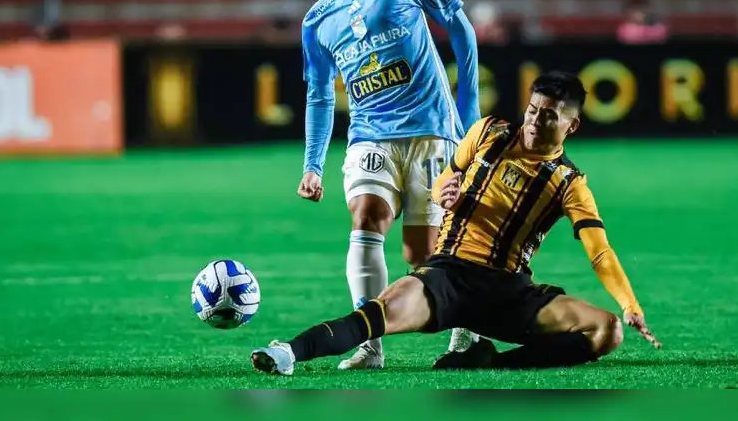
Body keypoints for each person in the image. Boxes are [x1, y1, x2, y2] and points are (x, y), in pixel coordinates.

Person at [253, 72, 660, 376]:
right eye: (533, 110)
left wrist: (629, 305)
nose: (535, 121)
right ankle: (288, 352)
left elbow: (599, 252)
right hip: (448, 276)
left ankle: (491, 364)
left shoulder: (570, 183)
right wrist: (441, 193)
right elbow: (445, 180)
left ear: (572, 125)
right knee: (380, 314)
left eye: (549, 116)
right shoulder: (488, 133)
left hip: (508, 292)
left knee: (606, 331)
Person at [295, 0, 481, 370]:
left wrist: (470, 116)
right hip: (369, 136)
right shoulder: (316, 21)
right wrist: (313, 165)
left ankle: (467, 328)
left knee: (424, 254)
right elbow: (319, 95)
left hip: (431, 132)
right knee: (366, 217)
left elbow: (461, 28)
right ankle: (370, 345)